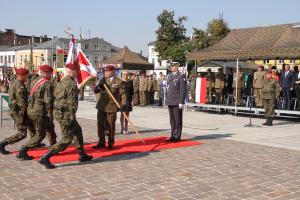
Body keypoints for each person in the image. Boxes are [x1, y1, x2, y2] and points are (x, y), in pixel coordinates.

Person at [38, 63, 93, 169]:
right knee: (67, 138)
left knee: (78, 131)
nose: (77, 73)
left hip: (59, 112)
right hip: (66, 114)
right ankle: (46, 157)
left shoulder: (62, 81)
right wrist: (72, 116)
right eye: (76, 71)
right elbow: (73, 103)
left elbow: (55, 97)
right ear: (70, 71)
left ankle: (82, 155)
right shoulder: (71, 84)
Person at [16, 65, 57, 160]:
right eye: (50, 73)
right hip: (40, 112)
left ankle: (54, 146)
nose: (51, 75)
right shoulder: (47, 84)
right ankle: (23, 150)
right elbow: (48, 101)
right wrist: (51, 114)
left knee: (50, 128)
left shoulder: (34, 81)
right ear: (46, 73)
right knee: (40, 135)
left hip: (31, 109)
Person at [93, 65, 127, 149]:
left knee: (111, 125)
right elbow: (96, 90)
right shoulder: (102, 80)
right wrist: (98, 87)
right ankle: (101, 141)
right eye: (105, 72)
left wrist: (123, 104)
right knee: (100, 124)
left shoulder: (119, 81)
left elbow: (123, 94)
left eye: (108, 71)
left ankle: (110, 143)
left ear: (113, 71)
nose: (106, 73)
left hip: (112, 107)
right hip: (102, 106)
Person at [0, 68, 29, 155]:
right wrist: (25, 114)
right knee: (22, 133)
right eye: (26, 75)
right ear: (21, 76)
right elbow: (22, 103)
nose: (27, 77)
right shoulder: (19, 86)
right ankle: (2, 144)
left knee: (27, 129)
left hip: (16, 110)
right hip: (18, 112)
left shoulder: (16, 83)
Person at [166, 62, 186, 142]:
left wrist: (181, 101)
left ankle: (177, 136)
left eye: (173, 66)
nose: (171, 67)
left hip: (177, 101)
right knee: (172, 120)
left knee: (177, 120)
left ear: (177, 67)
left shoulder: (181, 76)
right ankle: (173, 135)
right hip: (170, 100)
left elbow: (183, 90)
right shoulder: (170, 75)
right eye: (171, 66)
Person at [120, 70, 134, 135]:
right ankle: (122, 128)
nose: (125, 75)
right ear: (122, 74)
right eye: (124, 74)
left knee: (127, 115)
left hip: (128, 100)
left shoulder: (130, 82)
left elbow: (132, 92)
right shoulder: (120, 82)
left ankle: (126, 128)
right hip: (122, 100)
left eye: (127, 74)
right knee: (122, 114)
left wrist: (132, 101)